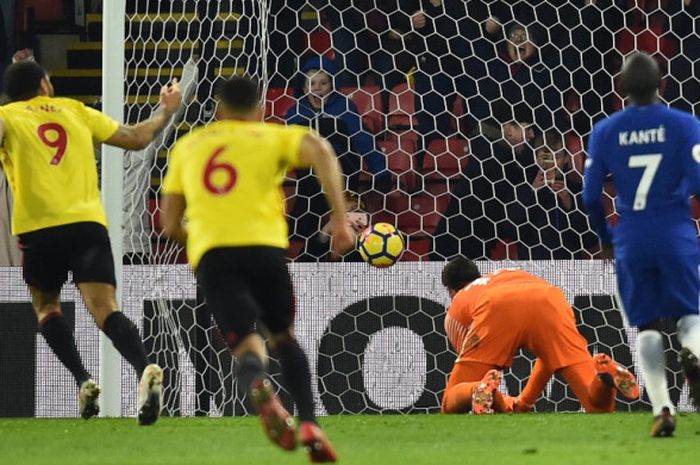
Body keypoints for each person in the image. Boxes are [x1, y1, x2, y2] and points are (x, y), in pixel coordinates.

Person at [160, 76, 354, 462]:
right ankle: (311, 422)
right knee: (283, 337)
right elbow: (320, 150)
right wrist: (341, 219)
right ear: (260, 108)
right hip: (264, 251)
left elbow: (168, 224)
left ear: (218, 108)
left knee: (246, 348)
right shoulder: (272, 136)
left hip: (214, 255)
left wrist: (199, 240)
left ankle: (260, 386)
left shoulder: (187, 147)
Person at [0, 61, 180, 424]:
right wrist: (166, 108)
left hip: (40, 229)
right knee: (106, 309)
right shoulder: (77, 110)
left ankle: (83, 379)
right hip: (88, 225)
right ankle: (144, 369)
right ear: (44, 85)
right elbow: (137, 138)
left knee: (47, 307)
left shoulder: (7, 115)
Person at [583, 52, 700, 437]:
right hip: (675, 232)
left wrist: (606, 239)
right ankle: (696, 353)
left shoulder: (605, 131)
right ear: (661, 84)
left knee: (647, 326)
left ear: (621, 89)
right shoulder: (685, 125)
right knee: (690, 316)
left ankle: (662, 408)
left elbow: (589, 196)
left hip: (631, 237)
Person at [440, 257, 640, 415]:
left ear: (451, 290)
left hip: (496, 304)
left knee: (451, 400)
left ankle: (476, 389)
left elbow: (480, 372)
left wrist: (493, 397)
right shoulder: (501, 275)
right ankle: (605, 374)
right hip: (549, 298)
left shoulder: (459, 301)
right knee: (598, 408)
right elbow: (548, 358)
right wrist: (523, 403)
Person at [286, 56, 388, 257]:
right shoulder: (295, 112)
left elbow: (363, 139)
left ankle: (353, 259)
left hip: (345, 181)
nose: (318, 88)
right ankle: (306, 260)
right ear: (304, 88)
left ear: (333, 84)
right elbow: (285, 147)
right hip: (310, 184)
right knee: (302, 228)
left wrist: (381, 170)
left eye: (323, 83)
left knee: (353, 225)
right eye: (312, 83)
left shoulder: (345, 108)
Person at [432, 101, 537, 260]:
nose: (532, 135)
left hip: (456, 246)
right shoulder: (497, 162)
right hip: (461, 253)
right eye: (527, 128)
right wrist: (531, 190)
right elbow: (506, 220)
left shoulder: (488, 153)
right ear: (509, 129)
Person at [527, 130, 598, 259]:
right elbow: (510, 229)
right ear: (536, 157)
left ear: (566, 159)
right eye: (545, 157)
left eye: (557, 156)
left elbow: (591, 240)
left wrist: (570, 205)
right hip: (532, 269)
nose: (551, 163)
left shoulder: (578, 191)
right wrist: (532, 192)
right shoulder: (521, 189)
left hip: (568, 269)